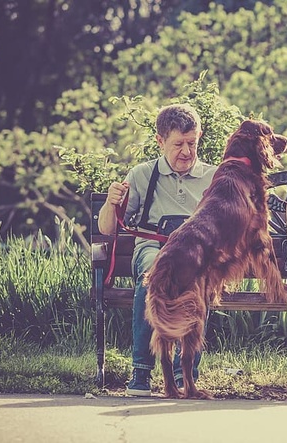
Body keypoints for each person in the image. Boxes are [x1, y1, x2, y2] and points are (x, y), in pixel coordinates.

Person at [98, 103, 217, 397]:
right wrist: (111, 202)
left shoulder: (212, 176)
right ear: (160, 141)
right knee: (153, 275)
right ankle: (141, 372)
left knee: (198, 281)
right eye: (178, 144)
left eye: (192, 143)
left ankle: (184, 372)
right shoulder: (142, 174)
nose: (187, 152)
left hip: (194, 253)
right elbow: (107, 229)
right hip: (154, 246)